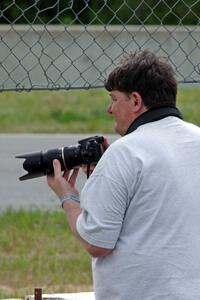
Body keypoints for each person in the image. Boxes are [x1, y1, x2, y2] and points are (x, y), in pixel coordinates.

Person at [47, 50, 200, 300]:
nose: (109, 109)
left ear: (136, 101)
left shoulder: (124, 152)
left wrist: (68, 197)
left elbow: (97, 242)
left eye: (114, 99)